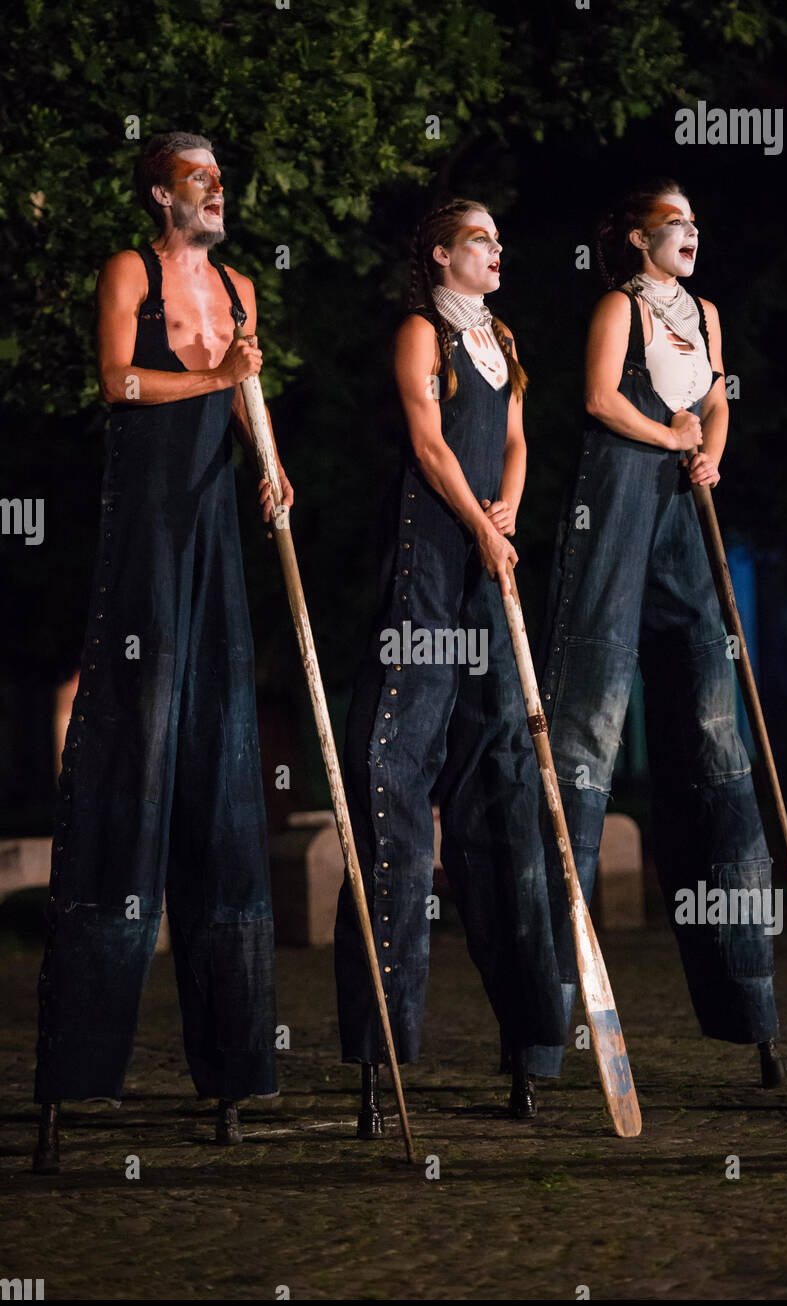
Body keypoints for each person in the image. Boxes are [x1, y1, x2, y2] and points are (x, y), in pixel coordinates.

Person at [32, 131, 293, 1172]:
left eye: (221, 180)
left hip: (217, 526)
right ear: (161, 191)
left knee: (223, 776)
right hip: (143, 533)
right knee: (130, 764)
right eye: (199, 178)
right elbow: (119, 383)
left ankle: (232, 1070)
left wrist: (268, 467)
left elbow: (246, 388)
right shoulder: (129, 272)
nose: (216, 192)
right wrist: (218, 379)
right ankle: (78, 1075)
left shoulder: (238, 288)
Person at [531, 178, 785, 1087]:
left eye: (694, 219)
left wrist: (710, 443)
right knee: (586, 735)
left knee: (715, 735)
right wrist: (674, 439)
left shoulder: (705, 313)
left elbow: (713, 398)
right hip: (616, 504)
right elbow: (600, 402)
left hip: (683, 506)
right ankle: (545, 1024)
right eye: (674, 221)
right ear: (640, 239)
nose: (691, 232)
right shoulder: (617, 307)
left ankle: (746, 1002)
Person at [333, 198, 566, 1135]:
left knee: (505, 800)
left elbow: (513, 440)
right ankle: (379, 1052)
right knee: (394, 802)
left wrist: (506, 513)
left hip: (488, 574)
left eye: (500, 240)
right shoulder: (419, 332)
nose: (497, 250)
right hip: (427, 581)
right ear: (439, 254)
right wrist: (475, 523)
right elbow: (431, 445)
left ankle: (532, 1048)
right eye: (480, 240)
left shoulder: (503, 339)